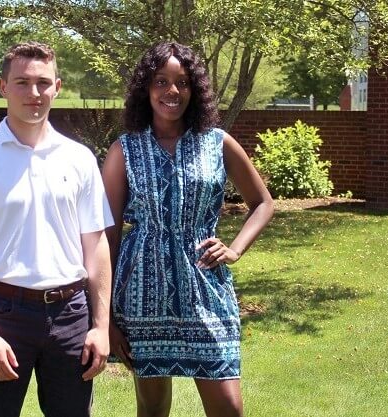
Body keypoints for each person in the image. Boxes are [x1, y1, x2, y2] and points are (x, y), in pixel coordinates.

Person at [0, 41, 113, 417]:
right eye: (22, 82)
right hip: (4, 315)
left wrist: (101, 326)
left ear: (58, 87)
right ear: (3, 88)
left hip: (71, 316)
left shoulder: (80, 159)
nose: (34, 93)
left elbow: (96, 245)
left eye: (43, 83)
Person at [102, 41, 274, 417]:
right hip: (141, 295)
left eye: (182, 82)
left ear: (195, 89)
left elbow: (263, 203)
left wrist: (235, 249)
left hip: (206, 289)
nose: (172, 91)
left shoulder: (217, 143)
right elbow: (107, 235)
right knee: (152, 408)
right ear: (145, 89)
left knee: (228, 408)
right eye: (161, 81)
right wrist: (107, 319)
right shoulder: (125, 150)